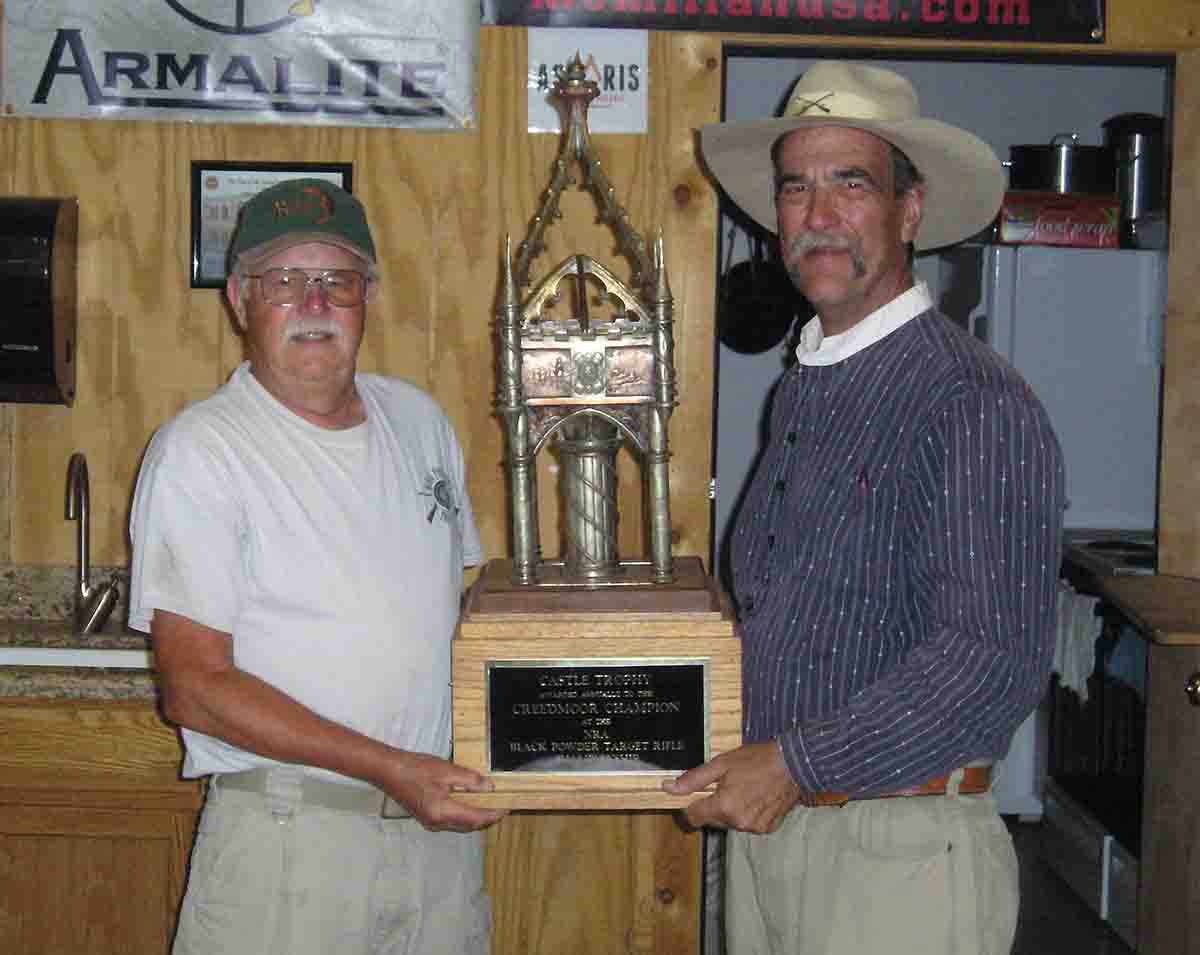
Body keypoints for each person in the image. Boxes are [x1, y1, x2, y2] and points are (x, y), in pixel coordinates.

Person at [664, 62, 1066, 954]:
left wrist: (796, 764)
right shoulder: (804, 388)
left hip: (897, 856)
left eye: (853, 183)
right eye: (797, 187)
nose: (819, 214)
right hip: (782, 832)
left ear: (909, 211)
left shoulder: (968, 400)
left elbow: (990, 661)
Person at [128, 178, 505, 955]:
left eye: (336, 280)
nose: (314, 303)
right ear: (239, 300)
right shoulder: (203, 450)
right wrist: (393, 767)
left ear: (367, 295)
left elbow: (454, 619)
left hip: (435, 841)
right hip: (289, 844)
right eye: (285, 282)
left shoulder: (420, 422)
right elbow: (195, 688)